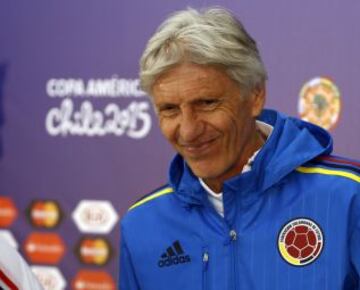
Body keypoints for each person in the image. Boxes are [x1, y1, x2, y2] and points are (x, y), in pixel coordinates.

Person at [120, 7, 360, 290]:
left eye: (207, 103)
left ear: (255, 95)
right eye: (170, 109)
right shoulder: (141, 225)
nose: (188, 130)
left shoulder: (348, 196)